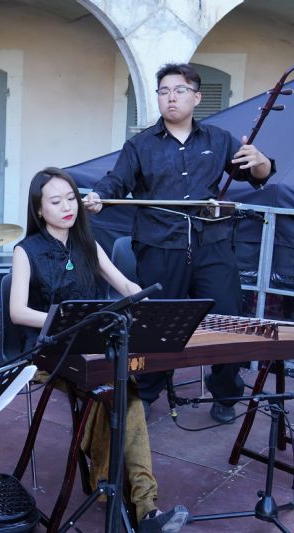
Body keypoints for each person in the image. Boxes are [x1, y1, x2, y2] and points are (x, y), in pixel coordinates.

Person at [84, 63, 275, 424]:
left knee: (228, 320)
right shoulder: (139, 145)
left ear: (196, 97)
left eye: (179, 90)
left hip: (212, 243)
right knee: (158, 324)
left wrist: (261, 162)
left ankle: (226, 393)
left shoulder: (218, 139)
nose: (171, 97)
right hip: (159, 245)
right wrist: (98, 196)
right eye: (164, 91)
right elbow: (115, 181)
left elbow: (256, 176)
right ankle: (146, 391)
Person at [11, 167, 189, 533]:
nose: (67, 207)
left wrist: (147, 304)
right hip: (52, 351)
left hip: (93, 349)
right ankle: (131, 499)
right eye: (56, 201)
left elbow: (124, 284)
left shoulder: (88, 245)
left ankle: (144, 507)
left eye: (71, 198)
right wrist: (67, 321)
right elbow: (18, 312)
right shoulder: (25, 250)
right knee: (121, 393)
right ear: (39, 209)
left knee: (121, 392)